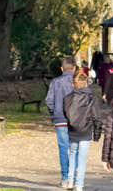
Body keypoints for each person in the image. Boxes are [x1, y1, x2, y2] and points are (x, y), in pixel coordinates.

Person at [63, 71, 105, 191]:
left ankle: (70, 181)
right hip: (85, 131)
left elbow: (65, 113)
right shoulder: (91, 98)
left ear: (74, 84)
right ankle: (79, 184)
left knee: (72, 156)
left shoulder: (68, 98)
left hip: (72, 130)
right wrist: (96, 135)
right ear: (86, 83)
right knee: (82, 159)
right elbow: (96, 117)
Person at [45, 56, 77, 189]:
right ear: (74, 68)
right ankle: (73, 178)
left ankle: (64, 178)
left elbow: (49, 100)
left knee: (63, 149)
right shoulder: (76, 82)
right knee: (75, 149)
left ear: (62, 68)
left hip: (60, 120)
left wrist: (54, 113)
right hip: (75, 120)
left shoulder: (55, 82)